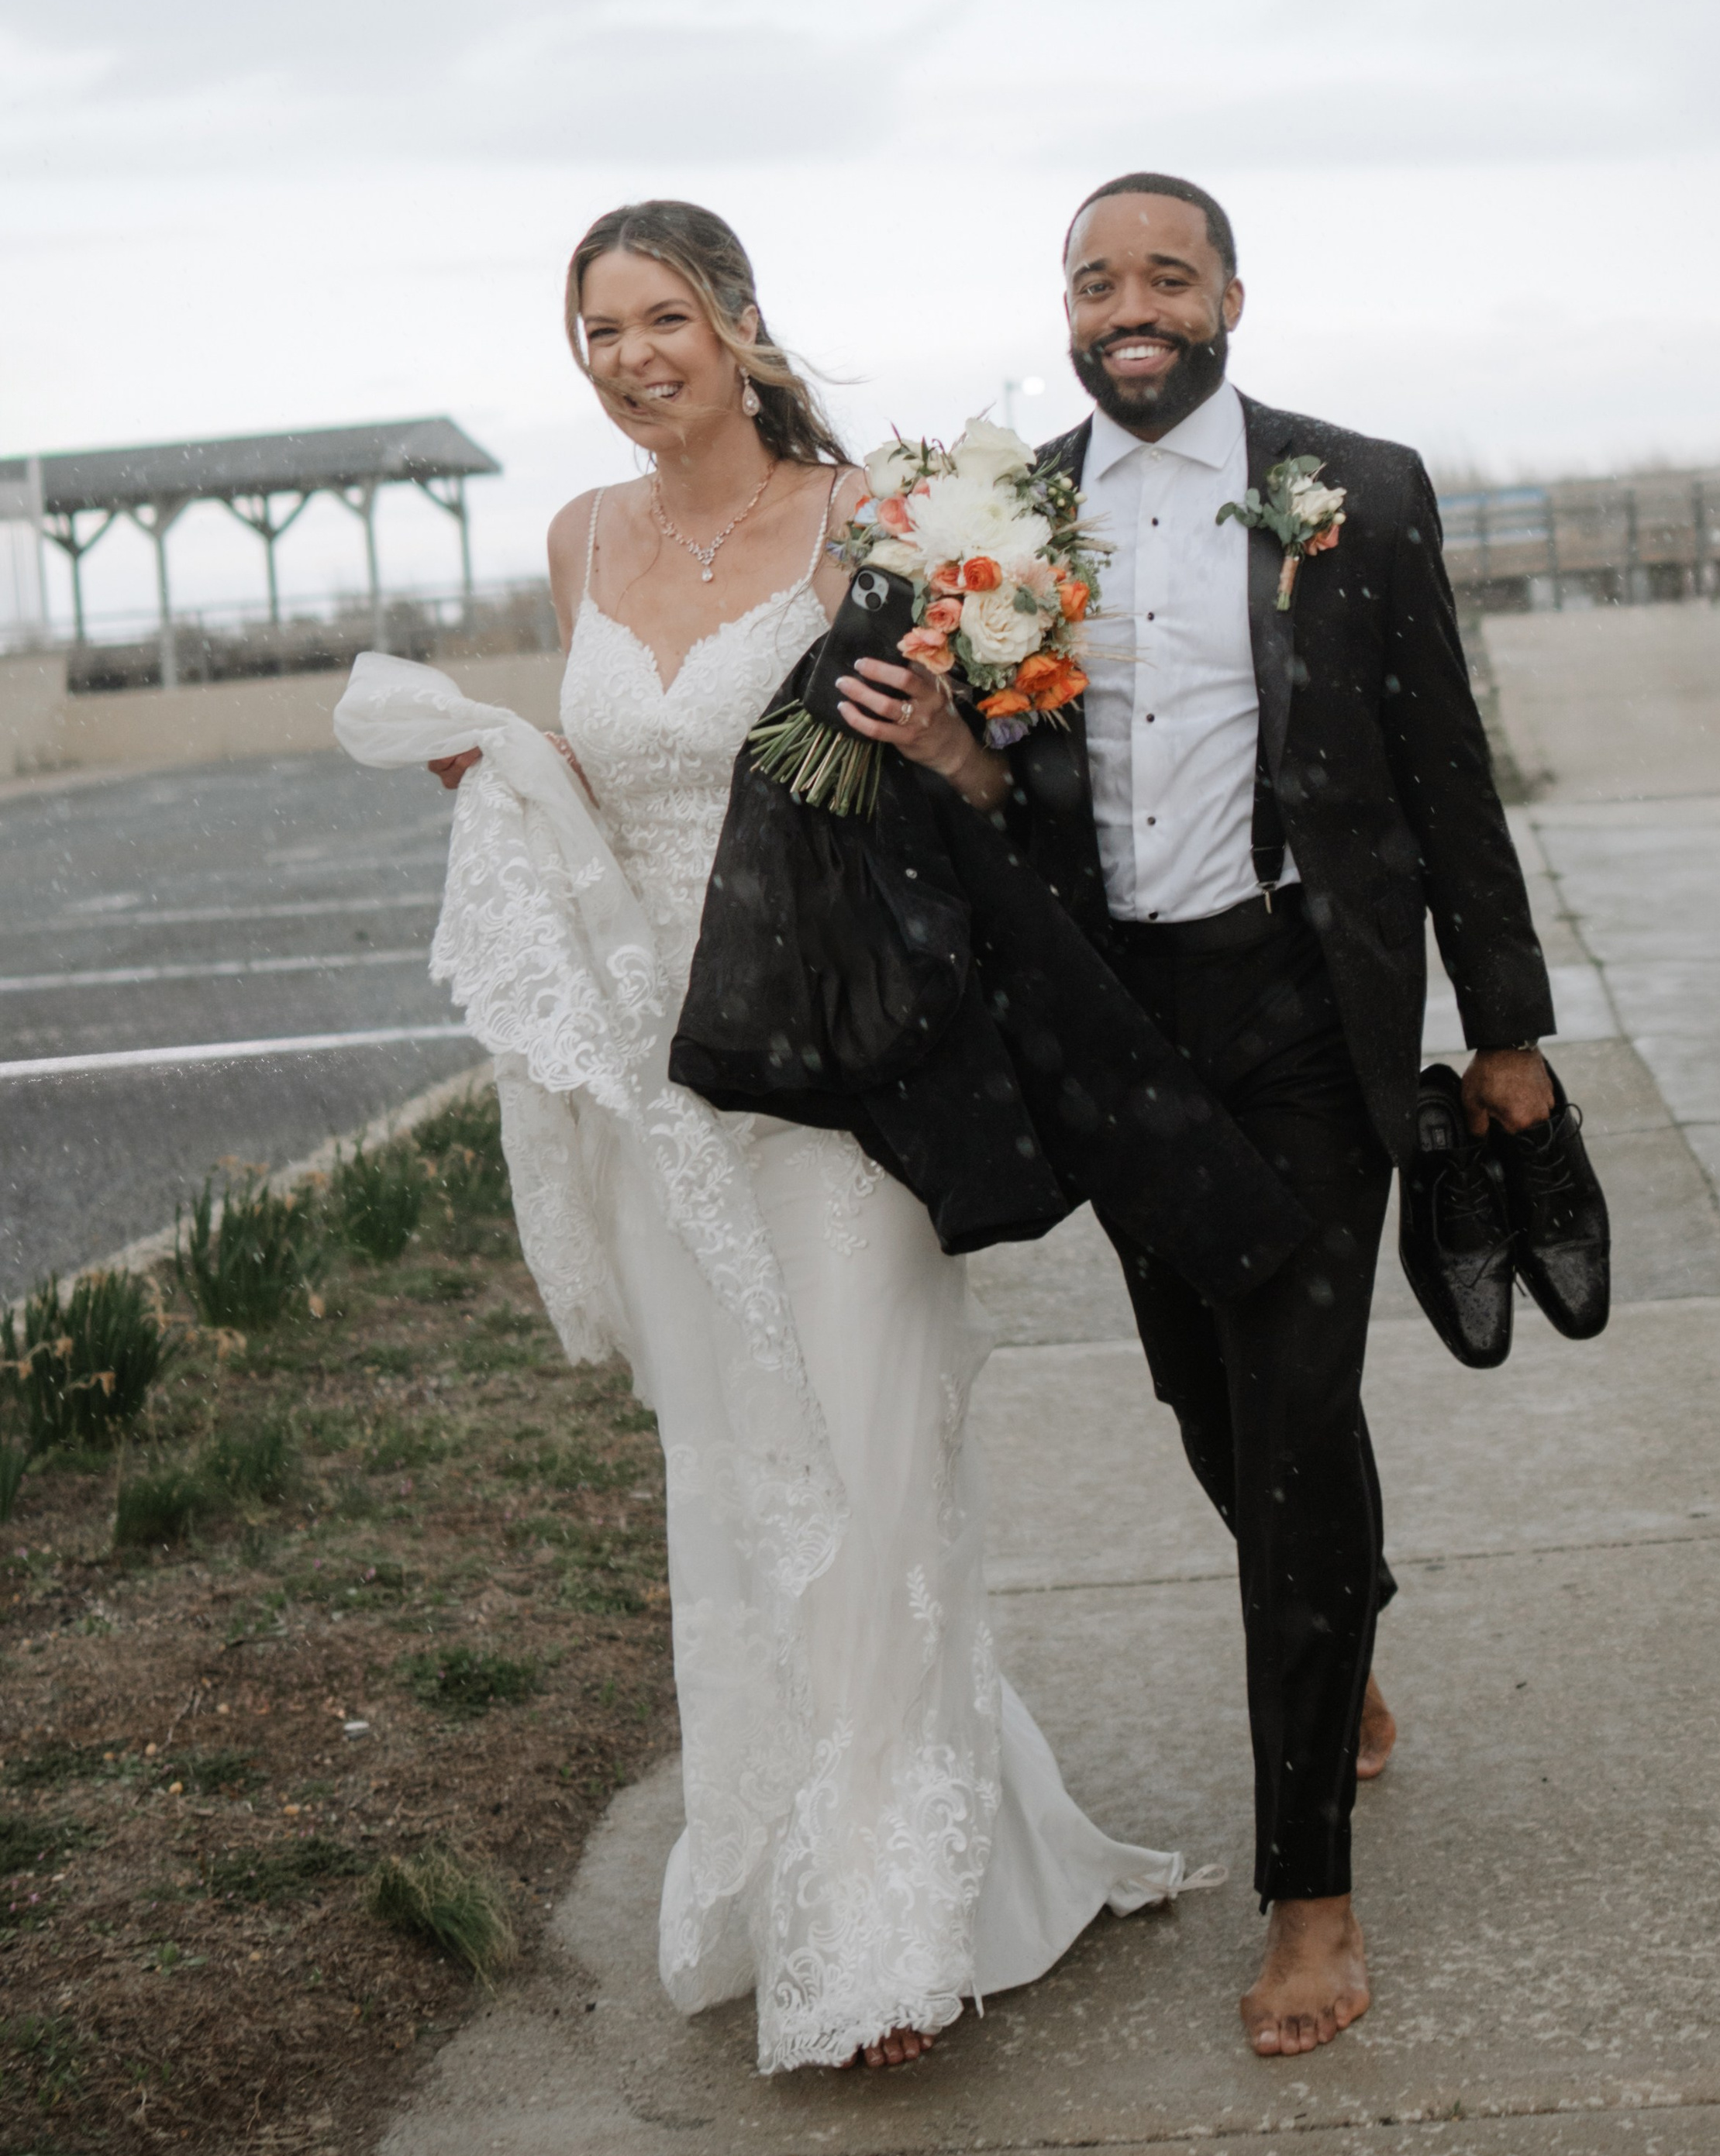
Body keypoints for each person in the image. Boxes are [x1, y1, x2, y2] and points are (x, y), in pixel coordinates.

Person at [422, 199, 1185, 2074]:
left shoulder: (872, 520)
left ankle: (886, 1932)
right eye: (596, 330)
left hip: (843, 1065)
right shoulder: (575, 539)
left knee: (868, 1467)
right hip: (661, 1080)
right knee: (737, 1486)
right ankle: (804, 1863)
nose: (630, 358)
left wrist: (941, 737)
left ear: (742, 326)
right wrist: (508, 778)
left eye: (662, 317)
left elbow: (1001, 786)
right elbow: (611, 801)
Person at [1007, 172, 1557, 2058]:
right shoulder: (997, 516)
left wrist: (1507, 1025)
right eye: (1096, 279)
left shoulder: (1359, 487)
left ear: (1231, 290)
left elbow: (1439, 764)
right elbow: (986, 785)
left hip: (1305, 1016)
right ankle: (1348, 1632)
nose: (1130, 304)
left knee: (1300, 1432)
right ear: (1064, 310)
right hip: (1115, 1033)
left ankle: (1305, 1889)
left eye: (1165, 271)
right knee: (1208, 1415)